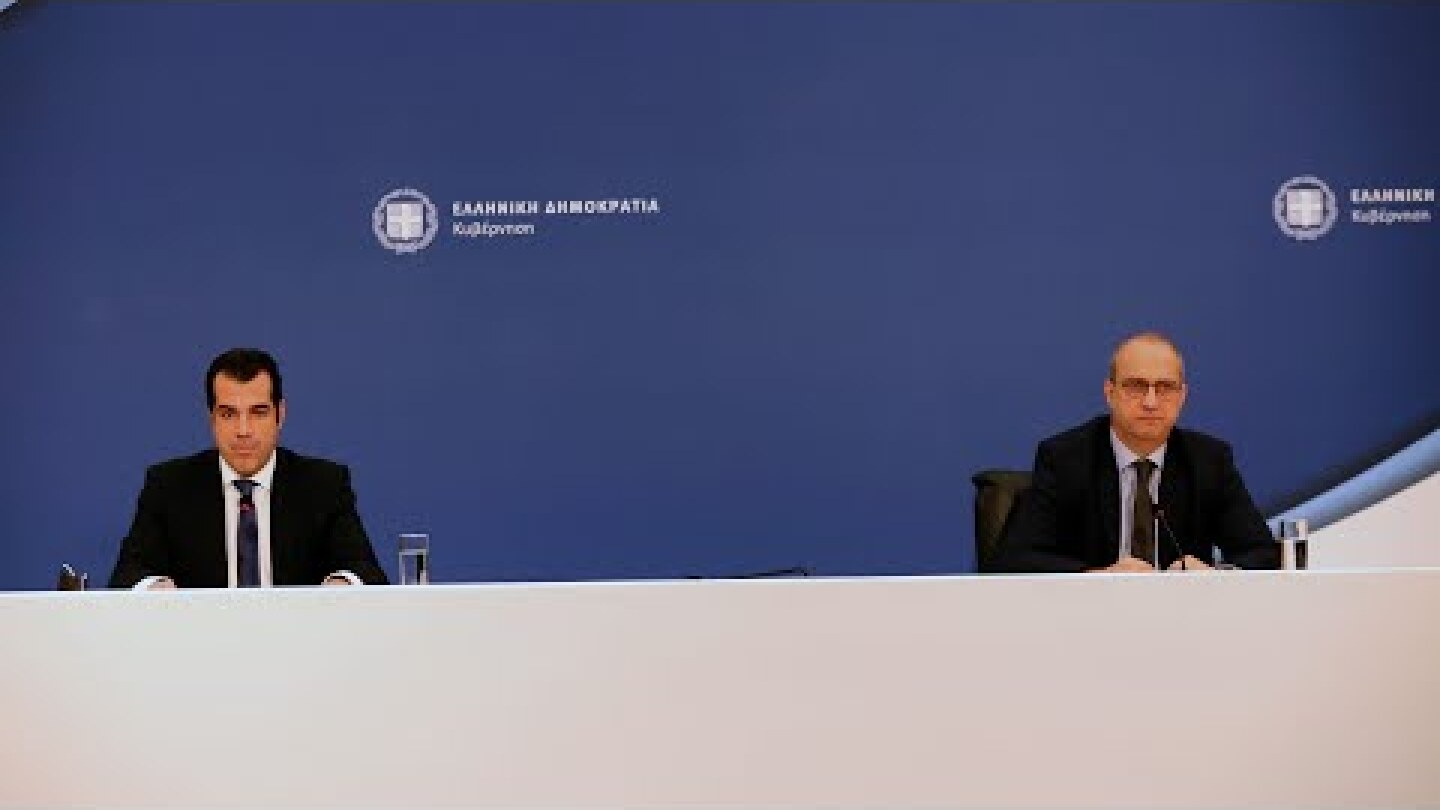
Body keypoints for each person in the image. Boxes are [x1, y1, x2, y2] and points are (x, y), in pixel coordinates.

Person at [994, 332, 1279, 573]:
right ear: (1110, 393)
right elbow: (1015, 558)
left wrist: (1213, 575)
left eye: (1165, 388)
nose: (1151, 402)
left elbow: (1262, 553)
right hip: (1090, 615)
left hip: (1183, 616)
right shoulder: (1065, 458)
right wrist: (1100, 576)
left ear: (1182, 396)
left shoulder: (1208, 461)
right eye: (1136, 386)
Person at [109, 348, 387, 588]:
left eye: (258, 412)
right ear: (212, 419)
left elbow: (365, 571)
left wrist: (342, 586)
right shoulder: (169, 486)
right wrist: (154, 589)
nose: (243, 430)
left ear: (280, 415)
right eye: (229, 414)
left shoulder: (323, 485)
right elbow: (128, 575)